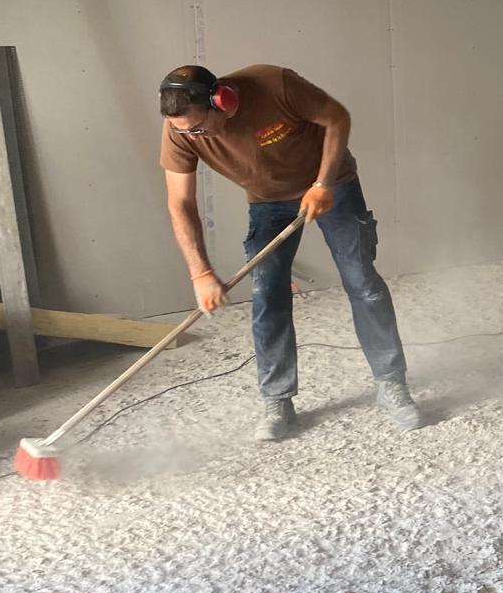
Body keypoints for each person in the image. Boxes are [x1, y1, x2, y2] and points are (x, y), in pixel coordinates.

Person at [158, 63, 421, 440]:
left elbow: (337, 118)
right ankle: (277, 400)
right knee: (268, 296)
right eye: (185, 131)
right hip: (267, 201)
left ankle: (391, 383)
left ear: (221, 101)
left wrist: (323, 183)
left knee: (362, 282)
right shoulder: (180, 129)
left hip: (333, 185)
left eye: (198, 127)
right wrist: (200, 272)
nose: (193, 137)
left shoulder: (275, 85)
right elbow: (180, 203)